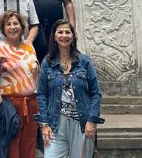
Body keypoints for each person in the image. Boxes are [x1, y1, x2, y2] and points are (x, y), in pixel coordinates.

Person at [37, 20, 100, 158]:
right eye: (60, 32)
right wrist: (44, 124)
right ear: (54, 36)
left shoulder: (85, 61)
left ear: (73, 36)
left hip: (82, 123)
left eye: (67, 32)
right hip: (56, 123)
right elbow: (42, 94)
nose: (64, 35)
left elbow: (96, 93)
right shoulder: (47, 62)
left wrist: (92, 120)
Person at [0, 10, 40, 158]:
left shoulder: (29, 47)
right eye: (8, 24)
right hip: (10, 104)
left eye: (16, 23)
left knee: (30, 143)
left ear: (22, 27)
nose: (12, 27)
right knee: (12, 145)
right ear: (3, 28)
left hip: (31, 103)